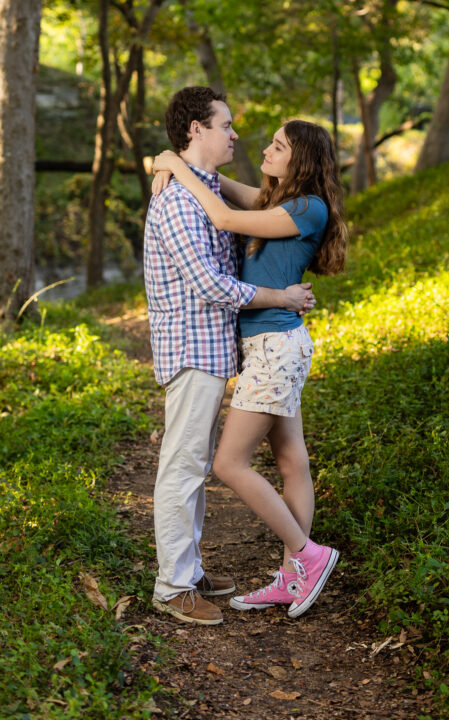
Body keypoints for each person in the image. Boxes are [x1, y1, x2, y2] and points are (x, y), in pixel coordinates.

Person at [151, 117, 347, 619]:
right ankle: (291, 577)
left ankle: (308, 556)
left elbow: (221, 215)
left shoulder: (306, 208)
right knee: (292, 462)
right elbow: (217, 184)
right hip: (274, 345)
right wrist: (170, 160)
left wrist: (173, 162)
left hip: (275, 347)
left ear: (299, 159)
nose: (264, 148)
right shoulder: (278, 202)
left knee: (227, 464)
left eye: (277, 146)